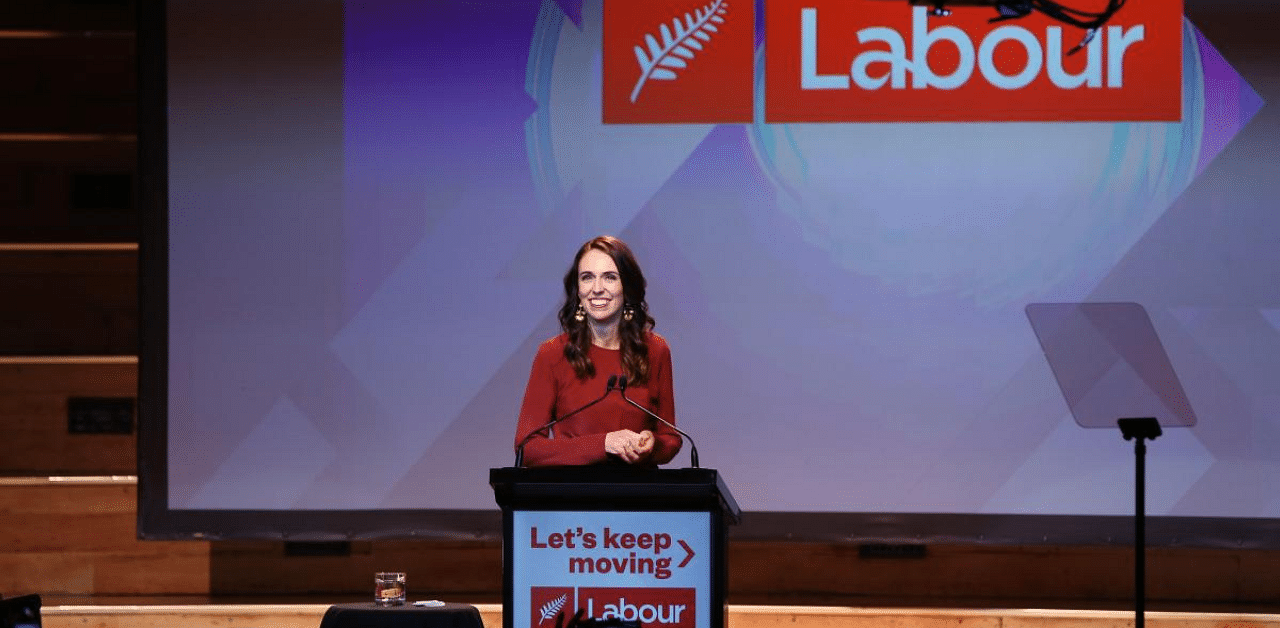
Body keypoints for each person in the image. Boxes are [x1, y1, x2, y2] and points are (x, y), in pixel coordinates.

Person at [514, 235, 682, 467]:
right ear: (578, 289)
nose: (597, 289)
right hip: (572, 496)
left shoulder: (655, 350)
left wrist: (652, 444)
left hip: (638, 496)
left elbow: (670, 439)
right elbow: (528, 447)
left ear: (627, 287)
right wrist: (604, 444)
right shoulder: (552, 354)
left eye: (610, 277)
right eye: (587, 278)